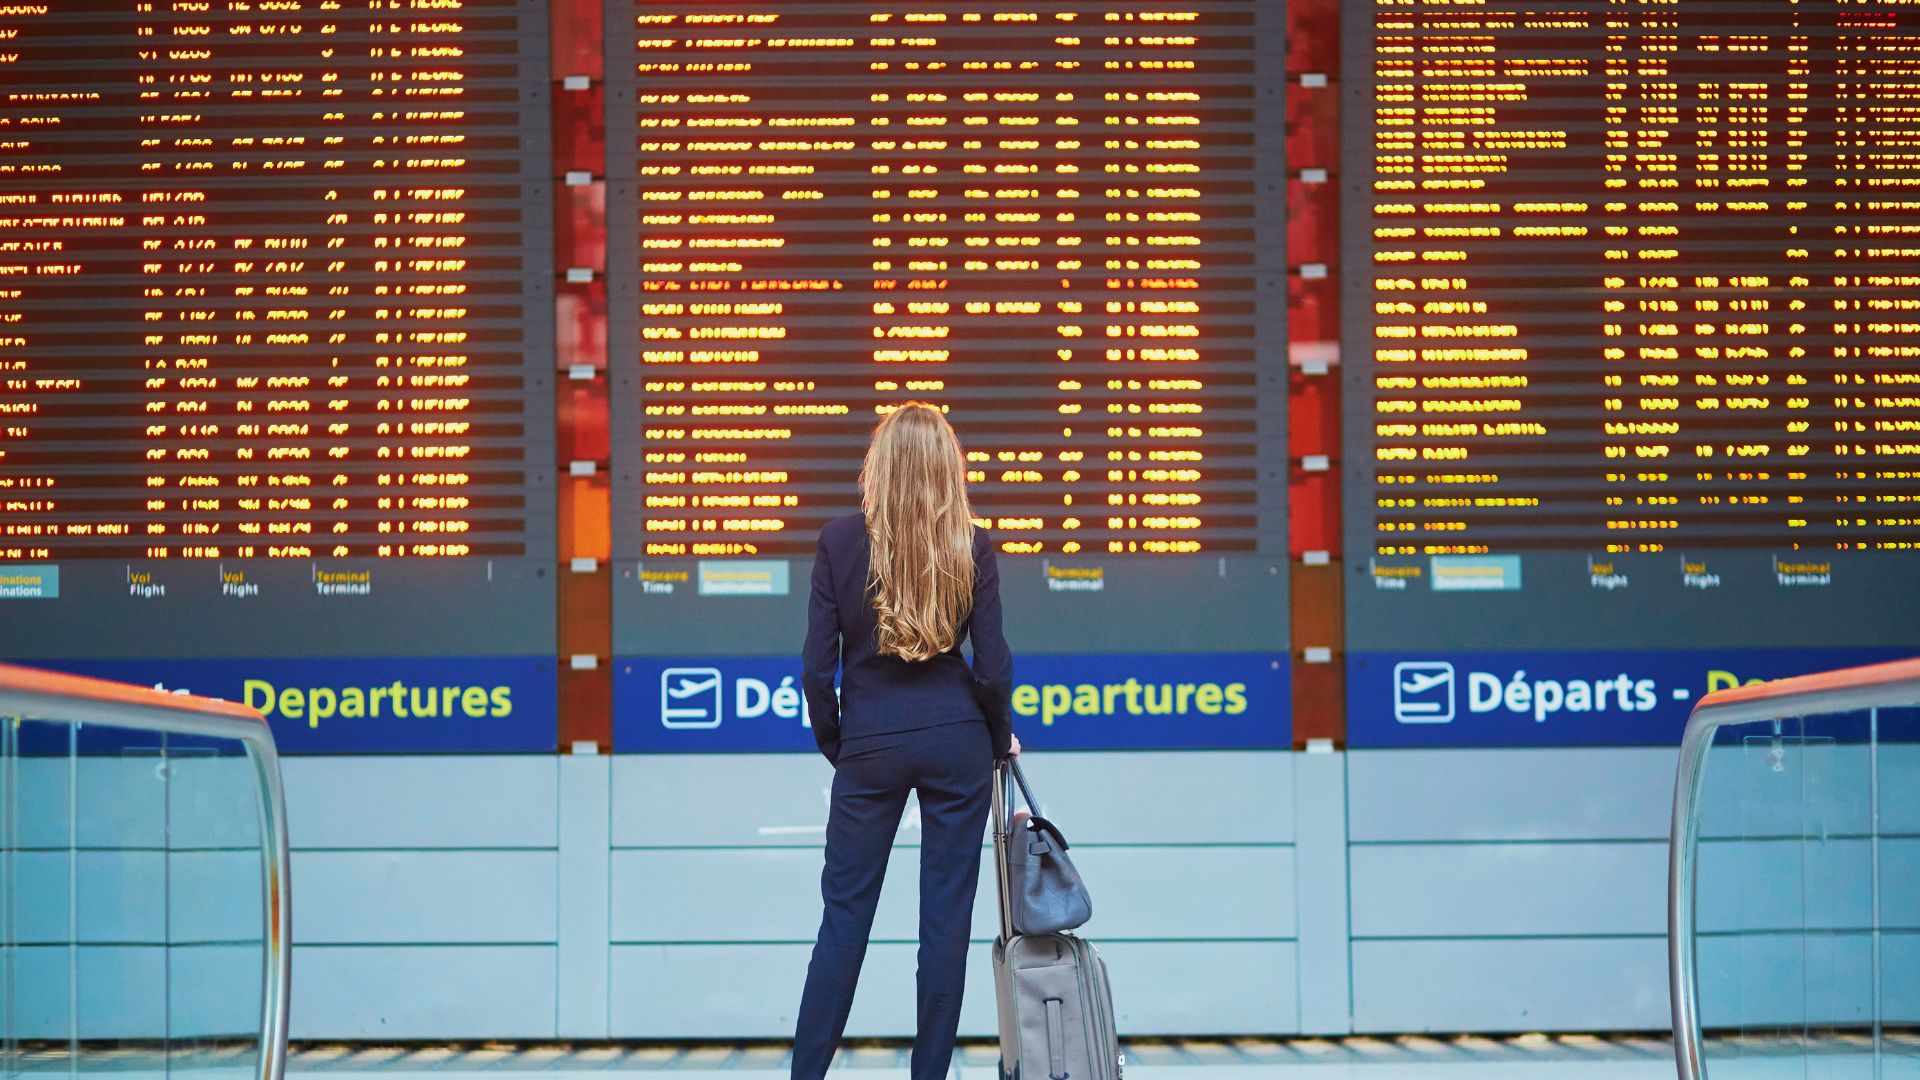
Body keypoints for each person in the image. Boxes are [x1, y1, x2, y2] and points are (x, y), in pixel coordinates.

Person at [793, 402, 1019, 1080]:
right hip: (957, 744)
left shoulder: (838, 540)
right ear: (948, 469)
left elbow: (813, 666)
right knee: (946, 923)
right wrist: (998, 738)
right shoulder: (971, 545)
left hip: (871, 745)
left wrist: (842, 744)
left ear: (879, 466)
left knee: (845, 918)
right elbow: (995, 665)